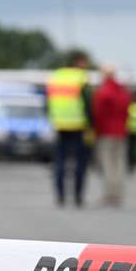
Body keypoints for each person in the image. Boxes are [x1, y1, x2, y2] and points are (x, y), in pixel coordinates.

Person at [47, 53, 93, 207]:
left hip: (59, 125)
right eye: (85, 62)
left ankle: (60, 196)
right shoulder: (81, 77)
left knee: (60, 163)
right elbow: (88, 102)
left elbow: (48, 101)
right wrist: (91, 124)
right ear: (78, 62)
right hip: (78, 126)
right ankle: (78, 196)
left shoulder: (56, 76)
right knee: (80, 163)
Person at [92, 66, 131, 206]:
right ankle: (119, 194)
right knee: (120, 165)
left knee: (108, 165)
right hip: (121, 132)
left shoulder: (103, 92)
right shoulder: (123, 91)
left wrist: (96, 131)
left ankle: (109, 194)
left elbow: (98, 114)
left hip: (106, 133)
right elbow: (127, 111)